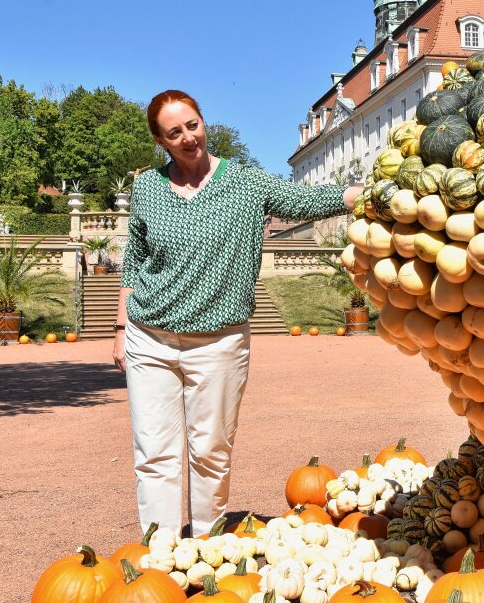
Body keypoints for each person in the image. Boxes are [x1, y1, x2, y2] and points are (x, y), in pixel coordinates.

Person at [113, 89, 360, 536]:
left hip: (219, 341)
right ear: (161, 141)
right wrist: (119, 327)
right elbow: (134, 261)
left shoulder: (245, 182)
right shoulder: (148, 186)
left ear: (203, 121)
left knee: (210, 450)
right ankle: (160, 550)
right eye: (175, 133)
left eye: (192, 125)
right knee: (154, 453)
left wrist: (359, 195)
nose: (188, 137)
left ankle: (206, 543)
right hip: (149, 337)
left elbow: (301, 202)